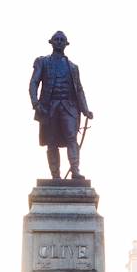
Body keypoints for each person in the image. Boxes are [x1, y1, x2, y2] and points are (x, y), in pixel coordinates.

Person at [29, 31, 93, 179]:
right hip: (49, 107)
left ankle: (75, 171)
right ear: (51, 42)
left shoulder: (73, 67)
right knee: (51, 142)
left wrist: (85, 110)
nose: (59, 41)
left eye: (62, 40)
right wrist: (35, 103)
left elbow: (79, 89)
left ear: (66, 43)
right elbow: (34, 83)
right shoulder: (42, 62)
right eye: (56, 39)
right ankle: (55, 176)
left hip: (69, 107)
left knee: (72, 138)